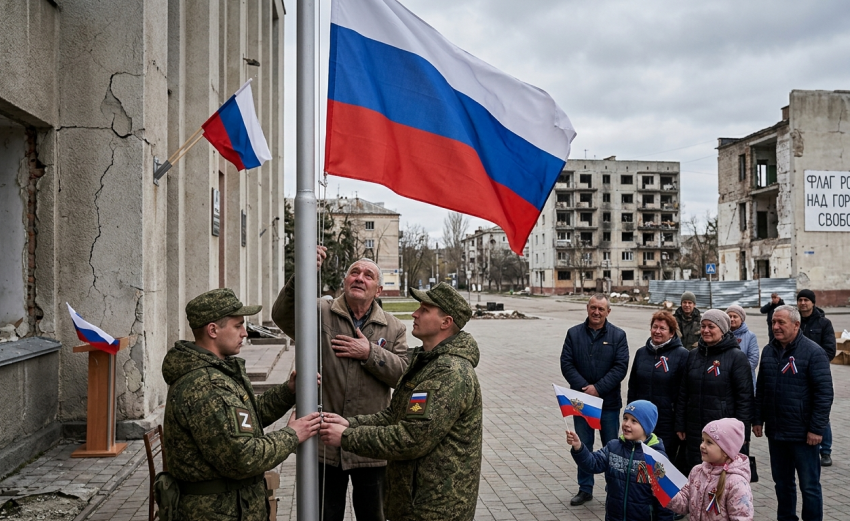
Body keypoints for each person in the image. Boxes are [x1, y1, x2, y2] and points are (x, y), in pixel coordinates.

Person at [319, 283, 481, 521]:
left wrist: (346, 437)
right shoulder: (426, 362)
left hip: (434, 507)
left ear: (446, 322)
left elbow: (410, 439)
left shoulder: (448, 372)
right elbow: (394, 414)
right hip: (413, 501)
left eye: (424, 310)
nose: (415, 314)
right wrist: (350, 423)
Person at [272, 248, 409, 521]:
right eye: (354, 273)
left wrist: (370, 353)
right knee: (324, 514)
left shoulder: (394, 328)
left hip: (371, 446)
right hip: (323, 444)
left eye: (368, 275)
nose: (359, 278)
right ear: (344, 282)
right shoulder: (320, 311)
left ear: (378, 290)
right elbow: (283, 315)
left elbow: (404, 376)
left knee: (374, 516)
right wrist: (304, 273)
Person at [162, 288, 321, 521]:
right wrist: (292, 434)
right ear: (213, 330)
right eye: (238, 326)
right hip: (216, 513)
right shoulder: (206, 386)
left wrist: (288, 391)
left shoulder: (217, 372)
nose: (245, 333)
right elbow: (245, 458)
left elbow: (248, 417)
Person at [754, 305, 833, 521]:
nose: (776, 327)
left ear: (796, 325)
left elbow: (824, 395)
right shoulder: (769, 351)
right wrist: (758, 419)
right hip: (777, 433)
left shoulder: (814, 352)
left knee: (809, 486)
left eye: (781, 323)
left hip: (804, 435)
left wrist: (817, 429)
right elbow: (762, 388)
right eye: (773, 323)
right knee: (783, 484)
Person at [560, 294, 630, 506]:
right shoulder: (573, 334)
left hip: (607, 403)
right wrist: (585, 389)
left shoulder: (618, 335)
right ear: (587, 308)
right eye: (593, 308)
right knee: (583, 445)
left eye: (601, 309)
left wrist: (598, 389)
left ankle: (613, 487)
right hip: (581, 402)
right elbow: (566, 363)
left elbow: (621, 367)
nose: (596, 312)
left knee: (612, 446)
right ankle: (585, 488)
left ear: (608, 311)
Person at [566, 400, 673, 521]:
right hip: (614, 516)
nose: (627, 424)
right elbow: (593, 464)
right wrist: (579, 447)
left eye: (634, 421)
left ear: (646, 426)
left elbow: (665, 501)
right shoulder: (613, 447)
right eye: (625, 418)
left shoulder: (656, 458)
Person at [675, 310, 753, 469]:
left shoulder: (736, 357)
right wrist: (680, 424)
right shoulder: (693, 355)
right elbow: (683, 393)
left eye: (711, 326)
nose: (705, 330)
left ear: (723, 330)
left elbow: (744, 398)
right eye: (703, 326)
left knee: (719, 476)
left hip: (722, 430)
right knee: (696, 472)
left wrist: (743, 432)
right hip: (695, 428)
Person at [626, 310, 689, 472]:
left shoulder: (682, 355)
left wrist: (680, 422)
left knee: (662, 466)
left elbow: (684, 393)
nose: (657, 331)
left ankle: (663, 497)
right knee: (641, 463)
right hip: (642, 422)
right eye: (655, 327)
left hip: (667, 421)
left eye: (662, 328)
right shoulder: (641, 353)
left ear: (672, 333)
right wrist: (629, 416)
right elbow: (633, 386)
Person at [668, 418, 754, 521]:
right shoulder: (697, 471)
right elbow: (683, 504)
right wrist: (664, 491)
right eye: (702, 440)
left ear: (726, 450)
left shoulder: (737, 483)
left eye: (709, 442)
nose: (702, 446)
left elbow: (742, 517)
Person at [796, 289, 837, 467]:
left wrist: (815, 364)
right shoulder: (794, 321)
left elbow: (830, 350)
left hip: (816, 375)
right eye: (800, 300)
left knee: (820, 412)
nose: (803, 303)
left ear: (813, 302)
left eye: (806, 300)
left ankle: (825, 451)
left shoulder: (824, 323)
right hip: (795, 374)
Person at [727, 305, 760, 393]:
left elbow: (753, 359)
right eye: (729, 316)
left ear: (741, 319)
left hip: (744, 380)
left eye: (735, 316)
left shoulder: (750, 336)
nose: (732, 319)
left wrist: (738, 373)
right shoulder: (721, 334)